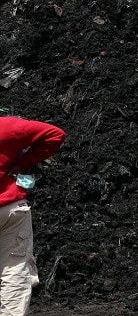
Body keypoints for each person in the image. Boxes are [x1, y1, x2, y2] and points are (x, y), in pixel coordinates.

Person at [0, 115, 65, 316]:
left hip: (11, 210)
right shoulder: (7, 126)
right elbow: (55, 135)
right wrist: (23, 163)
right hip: (10, 209)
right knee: (14, 270)